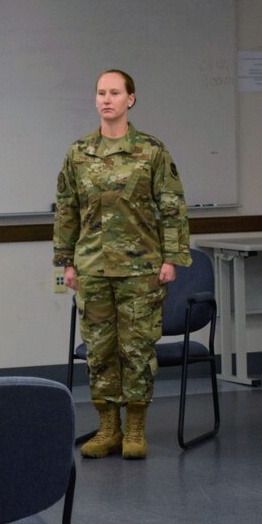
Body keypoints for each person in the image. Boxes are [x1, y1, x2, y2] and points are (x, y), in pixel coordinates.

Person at [53, 69, 191, 460]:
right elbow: (67, 210)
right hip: (93, 266)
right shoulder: (79, 153)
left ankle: (134, 429)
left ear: (131, 99)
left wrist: (171, 258)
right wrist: (66, 261)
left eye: (115, 92)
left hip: (141, 268)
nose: (107, 99)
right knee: (99, 351)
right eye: (101, 92)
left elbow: (172, 206)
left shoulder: (151, 151)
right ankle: (107, 427)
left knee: (136, 350)